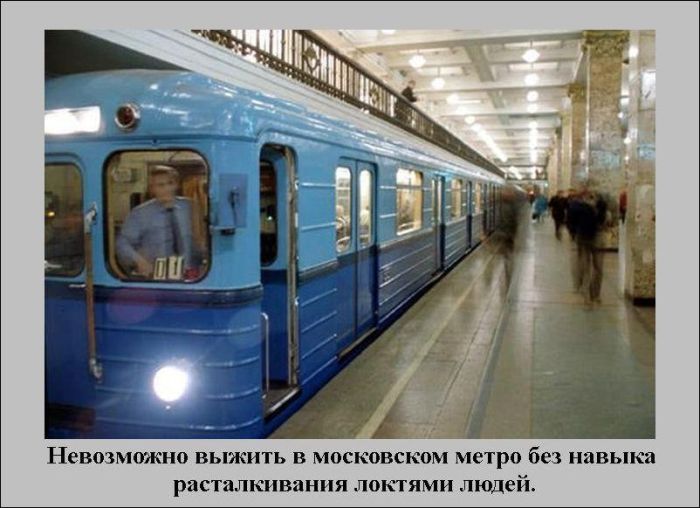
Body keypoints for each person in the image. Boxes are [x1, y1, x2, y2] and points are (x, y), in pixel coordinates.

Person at [116, 165, 200, 280]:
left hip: (190, 276)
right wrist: (139, 261)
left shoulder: (190, 207)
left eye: (170, 183)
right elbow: (122, 244)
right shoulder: (140, 213)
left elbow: (199, 241)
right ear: (152, 189)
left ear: (177, 185)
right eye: (161, 185)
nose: (167, 188)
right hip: (156, 276)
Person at [567, 184, 608, 304]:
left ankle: (594, 294)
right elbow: (571, 221)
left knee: (596, 267)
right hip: (586, 238)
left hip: (594, 237)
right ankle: (588, 295)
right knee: (588, 267)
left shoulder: (601, 204)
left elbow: (605, 219)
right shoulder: (577, 206)